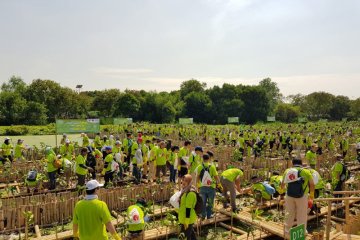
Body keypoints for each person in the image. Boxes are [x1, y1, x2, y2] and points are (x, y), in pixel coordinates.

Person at [282, 158, 314, 236]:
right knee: (302, 214)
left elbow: (282, 185)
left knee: (289, 212)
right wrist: (312, 195)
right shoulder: (306, 171)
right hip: (302, 196)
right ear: (301, 163)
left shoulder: (287, 171)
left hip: (289, 195)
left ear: (292, 163)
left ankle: (287, 230)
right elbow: (312, 184)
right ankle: (301, 232)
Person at [196, 154, 219, 219]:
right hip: (211, 186)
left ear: (202, 159)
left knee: (203, 202)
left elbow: (197, 178)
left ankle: (203, 215)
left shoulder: (199, 166)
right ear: (209, 159)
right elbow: (216, 177)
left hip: (202, 186)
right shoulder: (212, 166)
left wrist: (197, 186)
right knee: (210, 202)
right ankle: (209, 215)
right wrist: (219, 184)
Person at [179, 174, 197, 240]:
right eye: (183, 180)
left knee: (185, 237)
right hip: (184, 217)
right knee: (191, 235)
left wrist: (186, 221)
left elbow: (188, 208)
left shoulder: (191, 193)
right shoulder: (185, 190)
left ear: (189, 182)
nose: (183, 182)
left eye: (186, 181)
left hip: (187, 219)